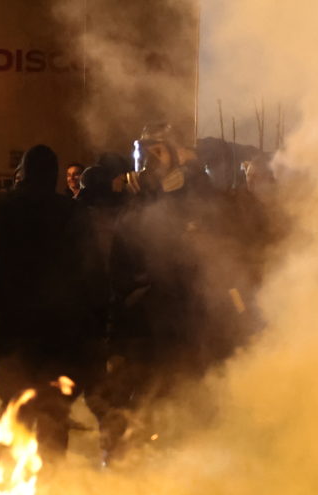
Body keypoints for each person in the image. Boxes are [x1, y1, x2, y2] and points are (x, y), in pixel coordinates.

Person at [99, 126, 249, 459]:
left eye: (158, 153)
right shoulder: (136, 207)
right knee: (137, 411)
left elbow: (218, 252)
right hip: (144, 328)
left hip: (187, 328)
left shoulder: (197, 199)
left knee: (187, 410)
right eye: (145, 155)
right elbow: (120, 269)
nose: (150, 163)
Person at [0, 144, 104, 460]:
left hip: (10, 324)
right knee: (53, 409)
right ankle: (50, 484)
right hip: (59, 327)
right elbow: (92, 269)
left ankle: (3, 477)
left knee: (14, 402)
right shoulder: (73, 212)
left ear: (23, 173)